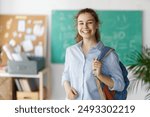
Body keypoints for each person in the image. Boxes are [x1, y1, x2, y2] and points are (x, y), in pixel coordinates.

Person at [62, 8, 125, 100]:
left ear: (97, 25)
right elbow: (66, 75)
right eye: (81, 23)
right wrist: (68, 90)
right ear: (77, 26)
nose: (85, 27)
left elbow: (120, 85)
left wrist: (100, 76)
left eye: (90, 22)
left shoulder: (108, 54)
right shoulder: (71, 51)